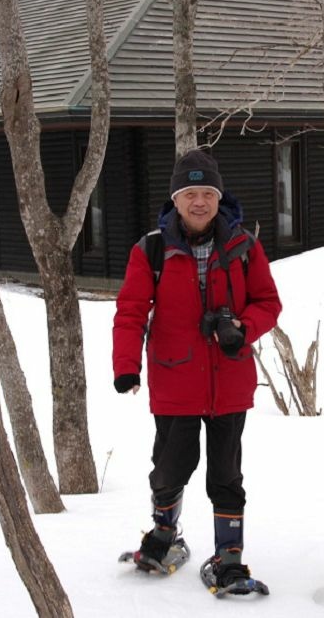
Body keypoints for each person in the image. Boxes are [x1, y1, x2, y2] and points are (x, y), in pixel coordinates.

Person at [112, 149, 281, 590]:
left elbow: (269, 303)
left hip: (230, 381)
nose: (200, 202)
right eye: (190, 194)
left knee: (226, 474)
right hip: (174, 379)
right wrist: (126, 366)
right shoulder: (152, 248)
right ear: (176, 199)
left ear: (218, 196)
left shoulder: (244, 246)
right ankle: (165, 533)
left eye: (207, 192)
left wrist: (243, 329)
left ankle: (229, 557)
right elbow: (130, 311)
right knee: (170, 467)